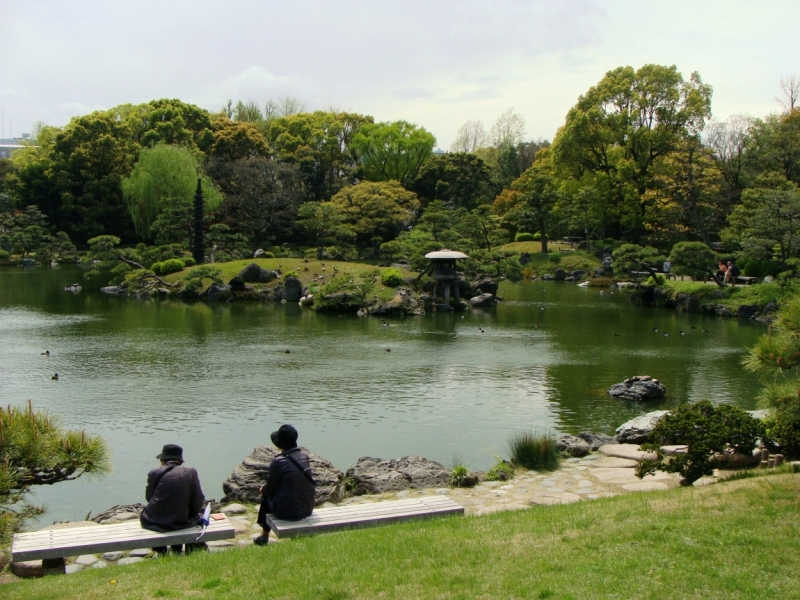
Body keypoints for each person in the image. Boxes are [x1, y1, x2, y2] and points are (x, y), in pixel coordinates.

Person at [140, 444, 207, 554]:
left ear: (163, 460)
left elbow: (149, 498)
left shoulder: (154, 472)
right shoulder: (191, 472)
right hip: (181, 522)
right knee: (182, 513)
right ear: (180, 461)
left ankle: (160, 551)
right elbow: (198, 499)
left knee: (156, 511)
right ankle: (177, 548)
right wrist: (193, 515)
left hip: (154, 522)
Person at [255, 424, 316, 546]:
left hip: (288, 512)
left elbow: (270, 489)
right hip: (307, 508)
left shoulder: (278, 461)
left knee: (265, 496)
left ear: (279, 444)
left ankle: (264, 534)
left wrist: (263, 489)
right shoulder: (304, 456)